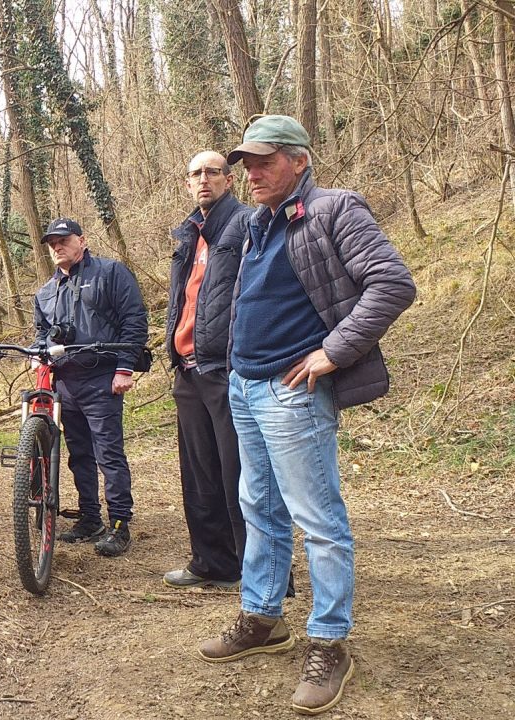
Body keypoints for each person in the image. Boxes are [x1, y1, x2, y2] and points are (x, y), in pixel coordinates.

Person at [196, 116, 415, 716]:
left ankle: (329, 640)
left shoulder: (334, 209)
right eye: (246, 163)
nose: (253, 172)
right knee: (257, 507)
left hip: (292, 392)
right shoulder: (257, 223)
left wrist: (333, 351)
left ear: (299, 159)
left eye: (264, 161)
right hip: (243, 385)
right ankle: (264, 618)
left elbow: (392, 283)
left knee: (317, 518)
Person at [162, 152, 250, 589]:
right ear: (186, 183)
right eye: (195, 174)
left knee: (239, 472)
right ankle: (212, 563)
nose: (203, 180)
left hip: (226, 368)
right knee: (198, 472)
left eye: (212, 172)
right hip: (188, 369)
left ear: (229, 180)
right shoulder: (187, 234)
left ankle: (261, 574)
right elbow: (183, 299)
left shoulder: (247, 224)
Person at [33, 218, 148, 557]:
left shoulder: (111, 274)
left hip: (103, 378)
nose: (57, 247)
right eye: (52, 242)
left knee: (108, 453)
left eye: (64, 240)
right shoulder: (45, 292)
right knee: (78, 455)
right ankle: (89, 517)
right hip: (65, 383)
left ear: (81, 241)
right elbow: (41, 334)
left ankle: (119, 523)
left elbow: (134, 320)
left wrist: (125, 368)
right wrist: (40, 356)